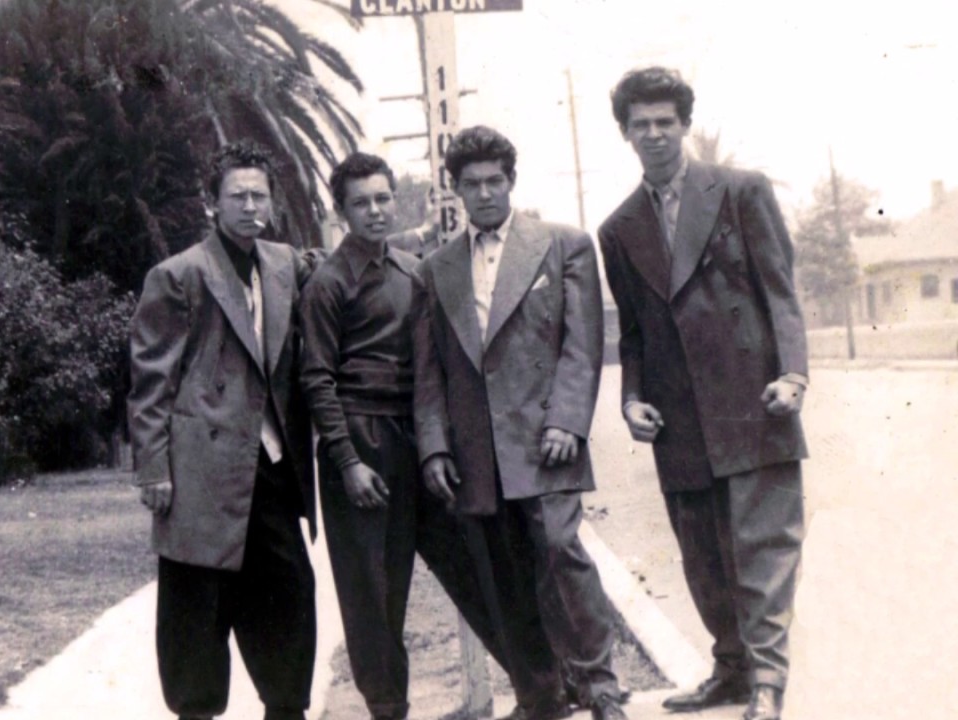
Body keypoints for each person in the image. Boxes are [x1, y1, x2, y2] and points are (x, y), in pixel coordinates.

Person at [597, 67, 808, 720]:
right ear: (625, 133)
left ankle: (767, 682)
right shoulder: (618, 228)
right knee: (704, 560)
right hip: (678, 419)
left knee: (761, 553)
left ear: (685, 124)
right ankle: (732, 670)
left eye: (666, 121)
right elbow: (632, 334)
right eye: (640, 124)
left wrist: (793, 375)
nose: (655, 134)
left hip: (755, 401)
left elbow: (780, 292)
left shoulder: (742, 192)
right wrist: (631, 399)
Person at [412, 126, 627, 720]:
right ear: (456, 190)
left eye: (494, 181)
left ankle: (601, 685)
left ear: (512, 181)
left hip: (545, 438)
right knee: (503, 571)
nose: (484, 194)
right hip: (476, 449)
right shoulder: (436, 269)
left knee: (560, 551)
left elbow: (582, 344)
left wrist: (567, 422)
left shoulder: (562, 245)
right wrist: (434, 447)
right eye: (471, 184)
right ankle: (541, 696)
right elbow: (430, 370)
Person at [299, 152, 508, 720]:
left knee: (473, 563)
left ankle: (540, 685)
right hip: (361, 444)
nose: (375, 211)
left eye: (383, 198)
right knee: (373, 593)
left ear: (396, 201)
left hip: (421, 438)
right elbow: (316, 379)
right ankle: (388, 709)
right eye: (361, 203)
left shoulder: (415, 271)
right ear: (341, 212)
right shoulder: (328, 283)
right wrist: (347, 462)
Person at [128, 141, 317, 720]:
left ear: (273, 202)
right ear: (212, 203)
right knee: (197, 615)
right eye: (237, 196)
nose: (250, 206)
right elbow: (151, 383)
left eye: (259, 195)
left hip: (273, 468)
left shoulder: (284, 264)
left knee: (289, 601)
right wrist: (154, 470)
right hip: (199, 472)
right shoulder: (178, 275)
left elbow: (328, 271)